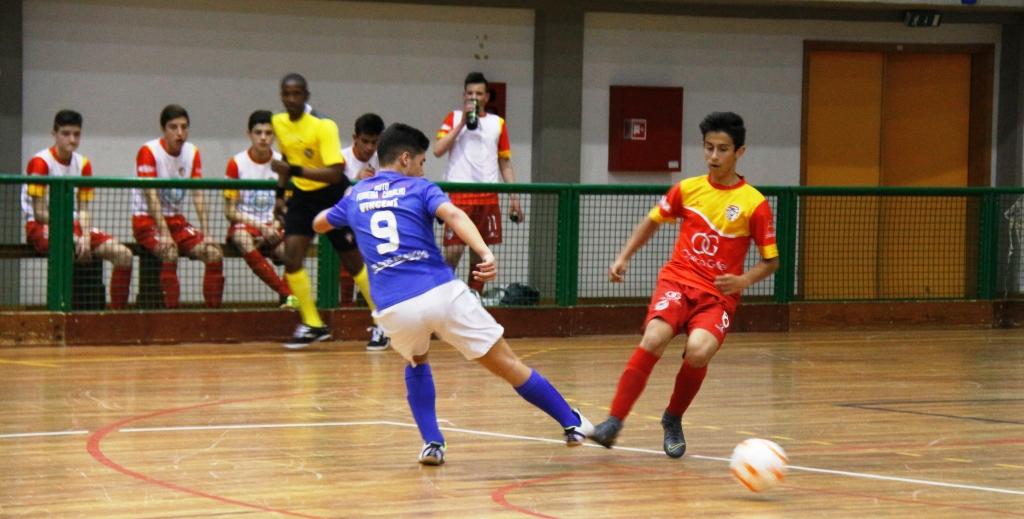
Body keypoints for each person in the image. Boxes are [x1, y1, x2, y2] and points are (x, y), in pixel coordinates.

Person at [313, 123, 593, 465]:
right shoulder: (420, 187)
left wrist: (340, 211)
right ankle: (572, 422)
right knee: (507, 364)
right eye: (420, 161)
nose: (422, 168)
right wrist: (485, 253)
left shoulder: (355, 195)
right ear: (404, 159)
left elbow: (319, 223)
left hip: (392, 307)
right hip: (439, 292)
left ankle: (432, 443)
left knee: (416, 361)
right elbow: (454, 214)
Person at [590, 112, 779, 459]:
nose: (713, 156)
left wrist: (742, 280)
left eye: (723, 149)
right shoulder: (688, 189)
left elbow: (772, 261)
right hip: (678, 280)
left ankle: (673, 418)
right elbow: (651, 223)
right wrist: (623, 256)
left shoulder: (754, 203)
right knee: (654, 337)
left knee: (699, 351)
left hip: (718, 297)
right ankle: (613, 421)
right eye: (708, 148)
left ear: (740, 152)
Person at [270, 73, 387, 350]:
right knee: (292, 257)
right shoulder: (278, 123)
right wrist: (279, 194)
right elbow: (287, 157)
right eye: (286, 94)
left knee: (353, 262)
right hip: (301, 196)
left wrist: (294, 171)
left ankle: (383, 322)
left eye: (297, 94)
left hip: (332, 196)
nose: (291, 99)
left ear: (306, 96)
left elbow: (336, 174)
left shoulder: (324, 126)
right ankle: (312, 324)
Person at [22, 109, 133, 309]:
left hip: (73, 225)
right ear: (54, 134)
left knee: (123, 254)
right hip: (41, 225)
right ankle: (63, 313)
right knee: (71, 250)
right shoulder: (40, 163)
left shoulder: (83, 164)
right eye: (65, 134)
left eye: (76, 134)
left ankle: (118, 316)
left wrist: (86, 236)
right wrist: (73, 236)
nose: (72, 140)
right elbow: (39, 213)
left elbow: (83, 209)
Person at [433, 72, 523, 296]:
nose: (474, 97)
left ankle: (474, 300)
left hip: (487, 195)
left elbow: (504, 161)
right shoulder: (453, 118)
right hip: (459, 196)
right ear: (464, 95)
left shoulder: (497, 123)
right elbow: (437, 150)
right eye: (470, 93)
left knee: (480, 255)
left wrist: (514, 197)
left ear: (487, 97)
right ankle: (443, 299)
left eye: (479, 93)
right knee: (452, 253)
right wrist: (463, 122)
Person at [131, 104, 224, 309]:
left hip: (177, 221)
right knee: (170, 252)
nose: (180, 133)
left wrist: (207, 233)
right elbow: (151, 196)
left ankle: (214, 315)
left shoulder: (192, 152)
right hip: (147, 220)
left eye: (184, 127)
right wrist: (164, 233)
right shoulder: (149, 152)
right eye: (173, 127)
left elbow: (198, 194)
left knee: (214, 253)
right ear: (164, 130)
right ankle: (171, 315)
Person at [224, 110, 296, 308]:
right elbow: (230, 211)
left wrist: (273, 225)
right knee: (241, 239)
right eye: (258, 132)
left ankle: (286, 302)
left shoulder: (283, 163)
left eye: (268, 133)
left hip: (273, 225)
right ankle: (287, 293)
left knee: (291, 249)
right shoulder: (236, 164)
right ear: (249, 134)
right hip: (246, 225)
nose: (263, 138)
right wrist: (260, 227)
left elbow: (287, 207)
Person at [338, 113, 384, 310]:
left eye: (374, 142)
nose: (369, 148)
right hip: (345, 222)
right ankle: (346, 306)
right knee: (348, 262)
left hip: (375, 222)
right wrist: (357, 182)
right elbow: (331, 197)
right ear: (355, 137)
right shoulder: (340, 160)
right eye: (365, 141)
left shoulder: (384, 161)